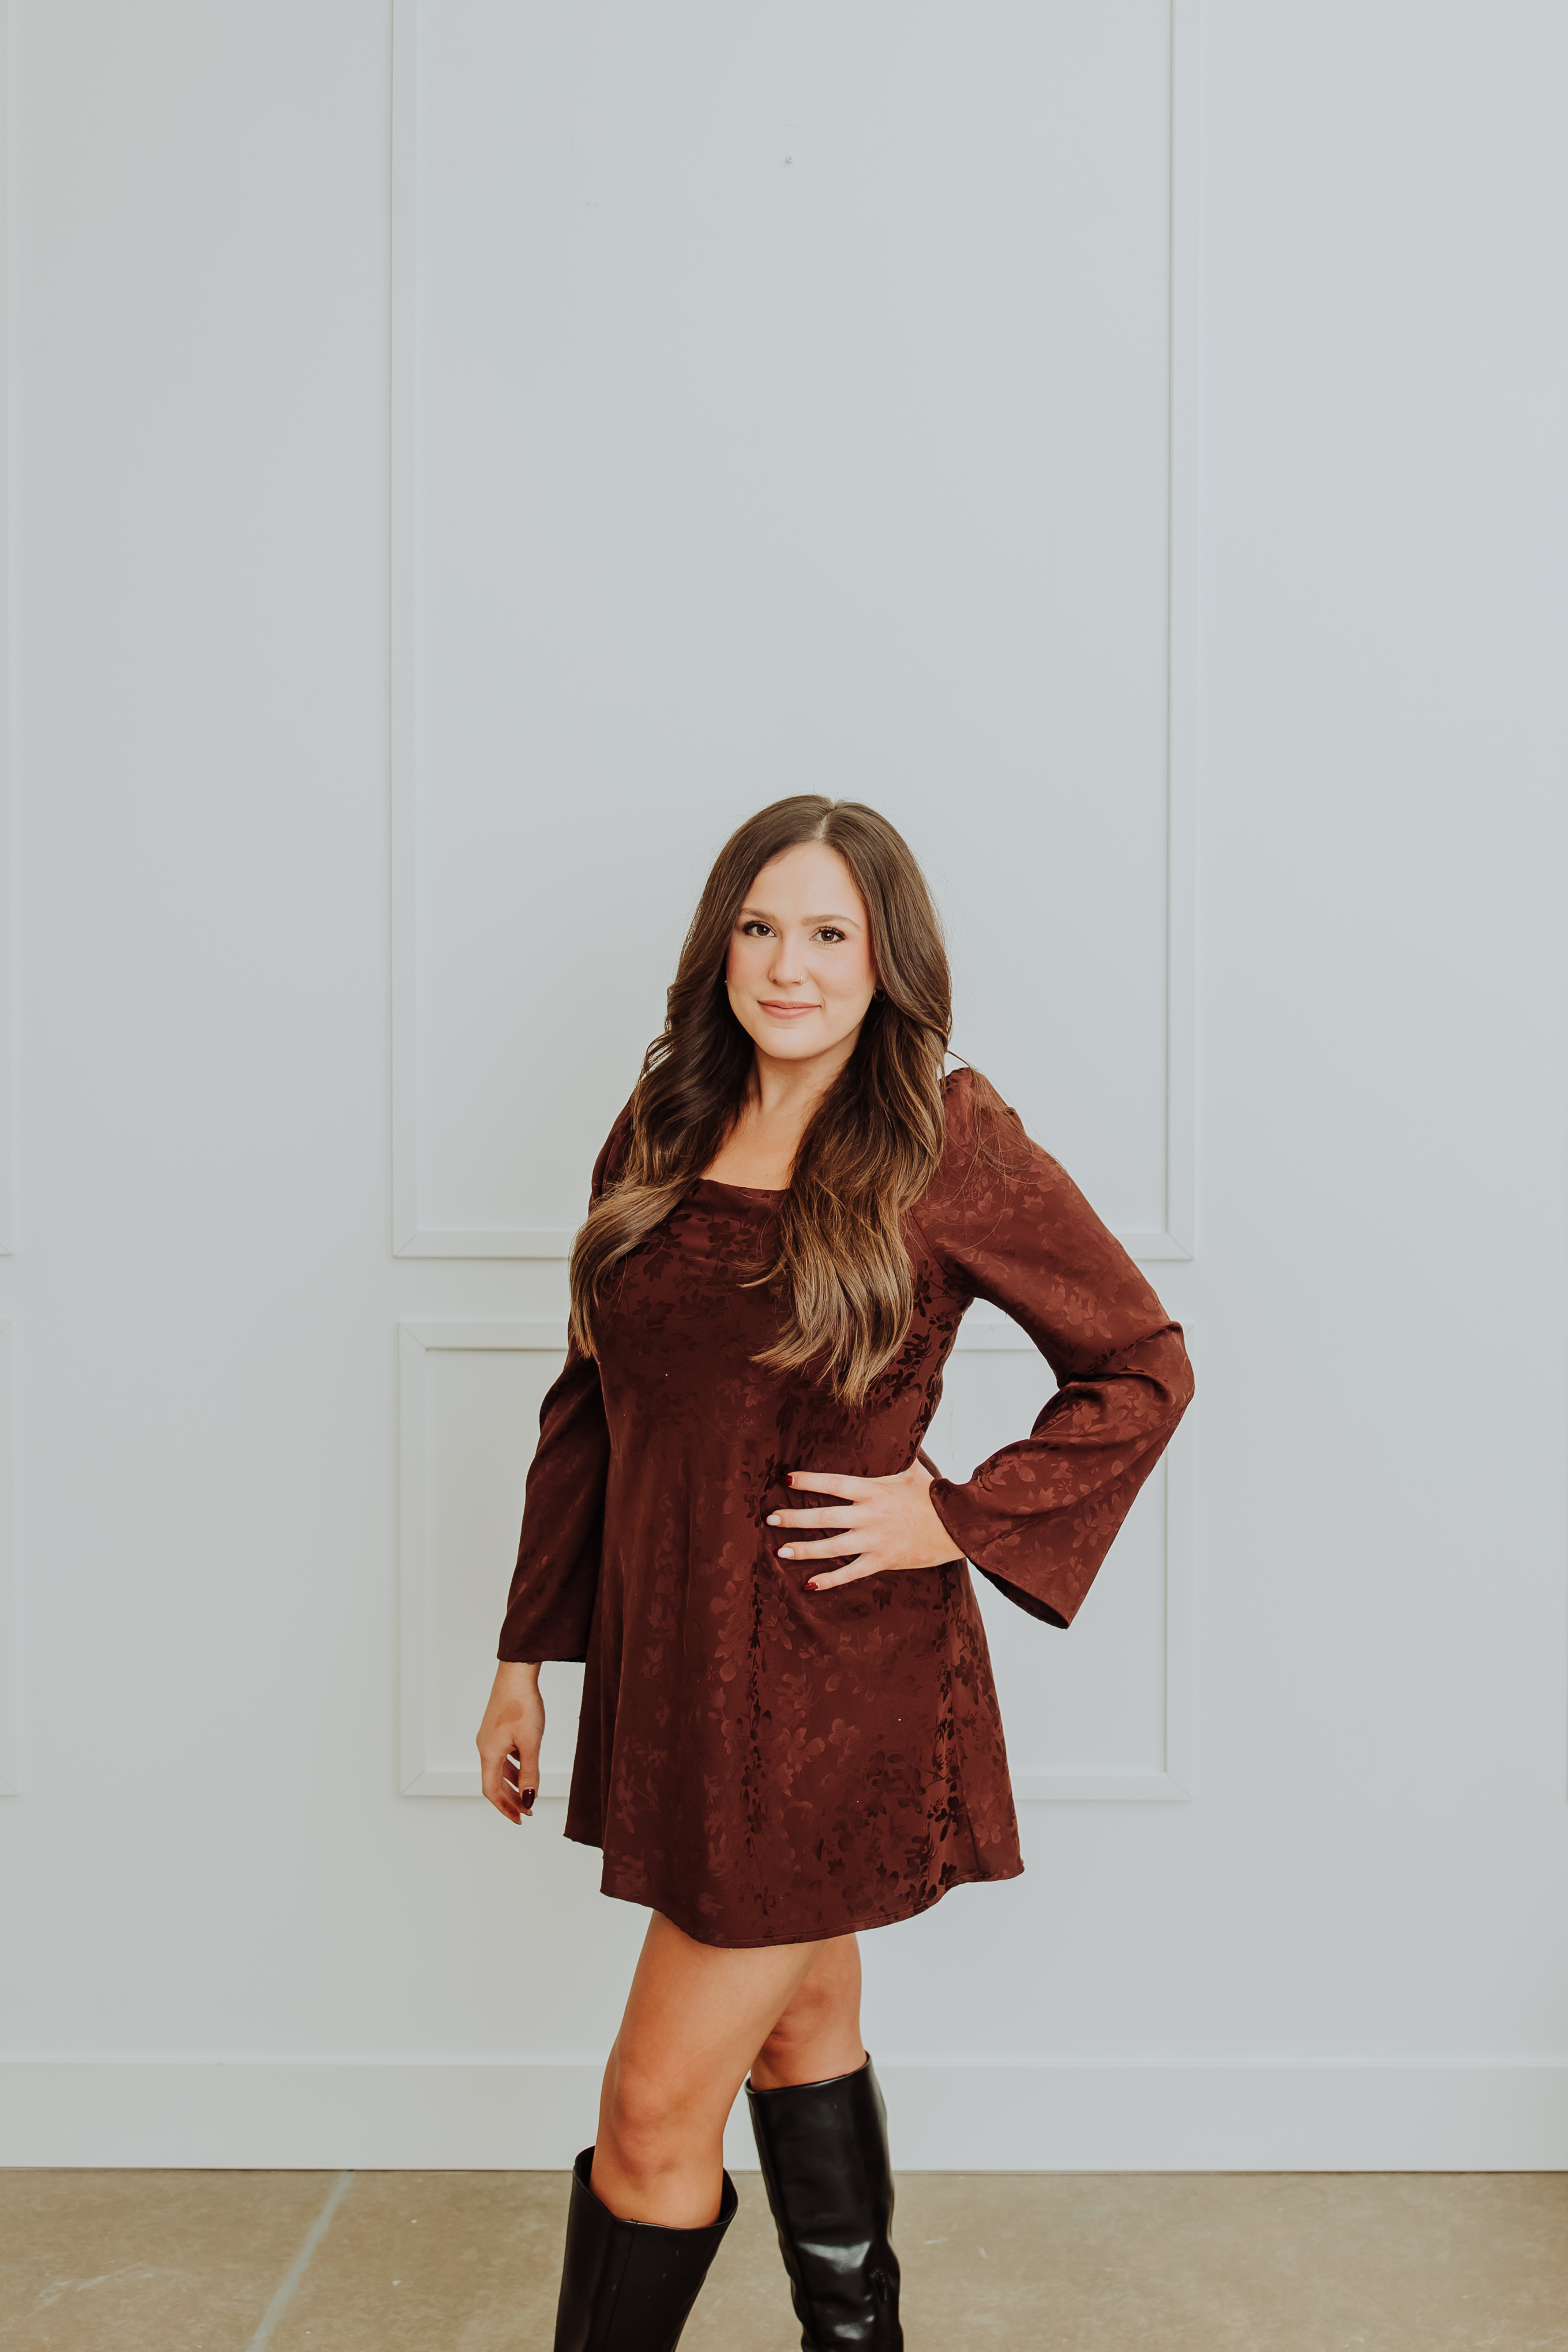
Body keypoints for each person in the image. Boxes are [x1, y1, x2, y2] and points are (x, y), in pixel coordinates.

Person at [476, 795, 1193, 2352]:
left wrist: (959, 1517)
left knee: (651, 2116)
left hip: (830, 1690)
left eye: (828, 934)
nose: (787, 967)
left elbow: (1140, 1365)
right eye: (759, 928)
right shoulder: (664, 1121)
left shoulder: (944, 1139)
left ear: (887, 961)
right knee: (798, 2033)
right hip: (678, 1670)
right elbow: (592, 1397)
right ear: (718, 944)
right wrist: (524, 1656)